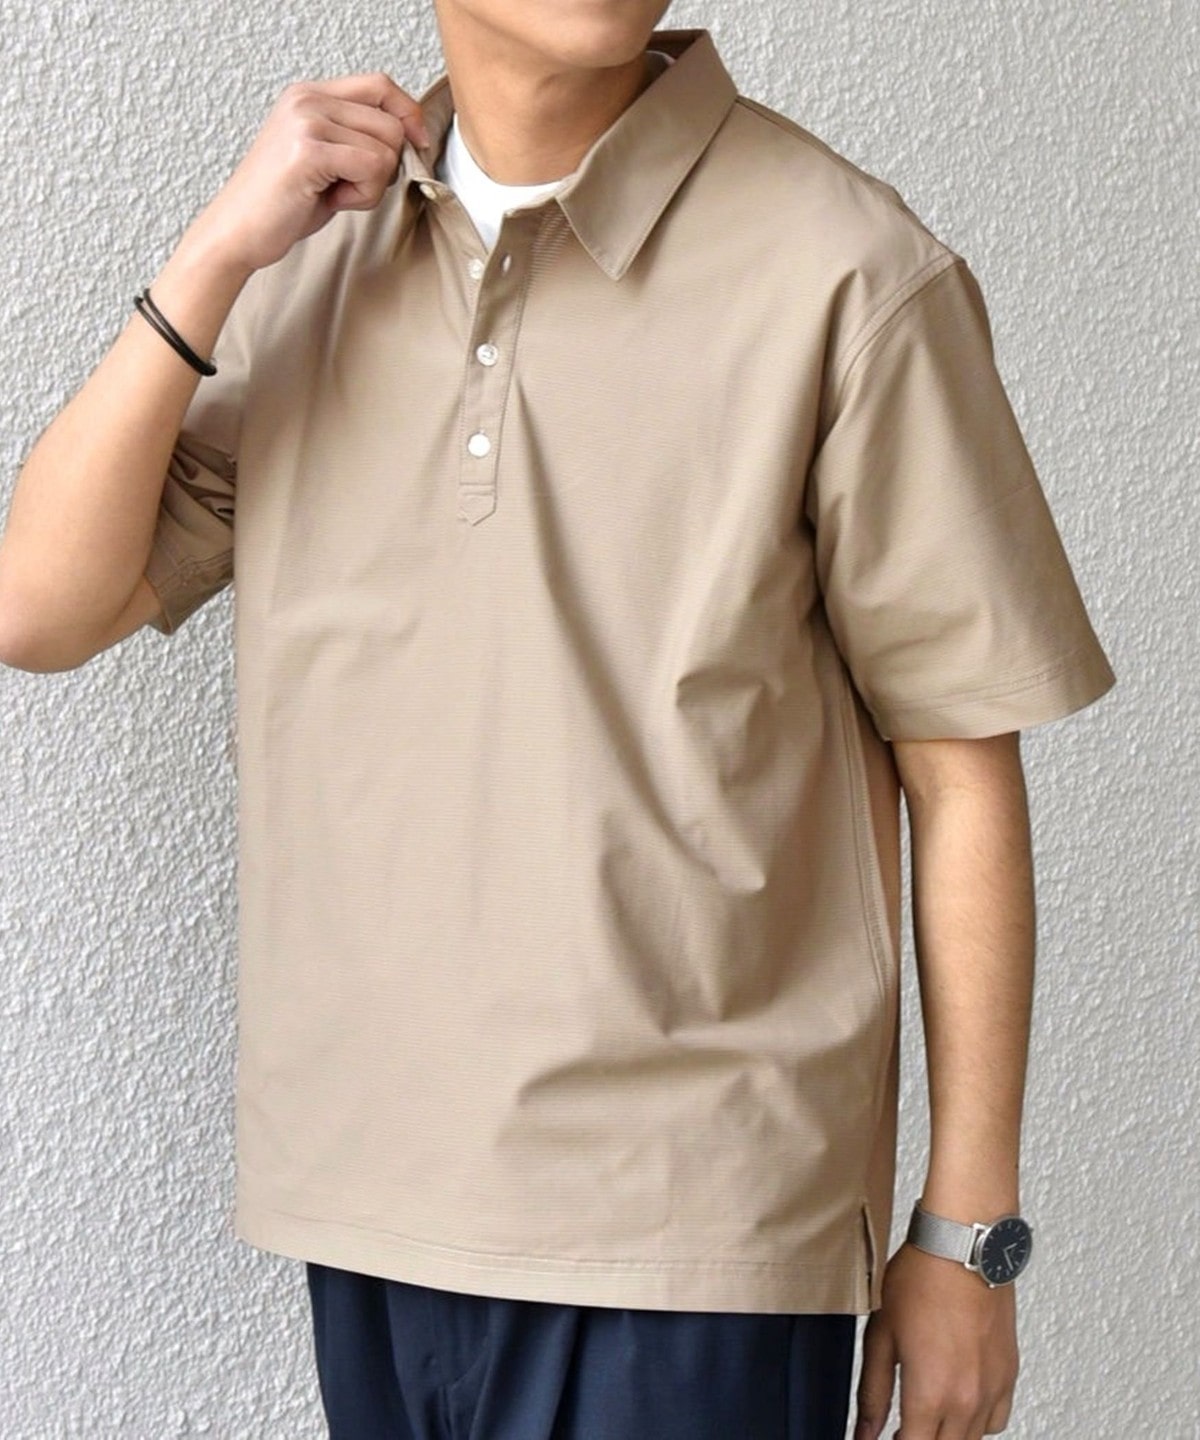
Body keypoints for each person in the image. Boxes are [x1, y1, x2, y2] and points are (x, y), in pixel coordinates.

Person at [0, 2, 1115, 1437]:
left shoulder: (847, 270)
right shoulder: (308, 262)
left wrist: (969, 1235)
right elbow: (40, 611)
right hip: (370, 1198)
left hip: (694, 1231)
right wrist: (215, 255)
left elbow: (961, 772)